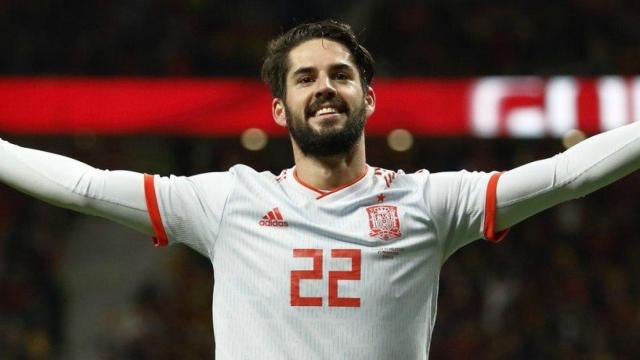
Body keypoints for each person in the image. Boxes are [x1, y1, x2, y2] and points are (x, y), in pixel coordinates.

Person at [1, 19, 640, 359]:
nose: (324, 85)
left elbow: (568, 173)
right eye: (305, 78)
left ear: (368, 96)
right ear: (281, 109)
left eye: (340, 73)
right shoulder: (229, 200)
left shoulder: (431, 203)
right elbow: (85, 185)